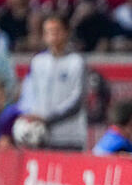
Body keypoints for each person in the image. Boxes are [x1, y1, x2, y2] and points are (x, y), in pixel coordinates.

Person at [19, 15, 87, 151]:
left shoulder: (76, 62)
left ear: (66, 32)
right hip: (40, 135)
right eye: (48, 32)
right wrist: (30, 114)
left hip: (69, 136)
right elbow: (29, 92)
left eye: (56, 31)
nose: (52, 36)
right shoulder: (38, 61)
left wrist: (48, 117)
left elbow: (76, 100)